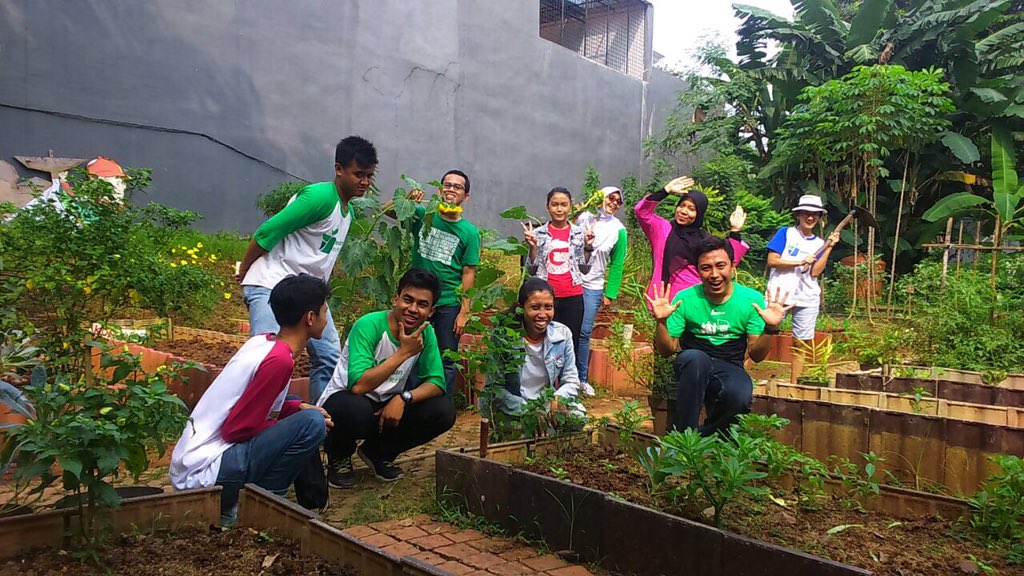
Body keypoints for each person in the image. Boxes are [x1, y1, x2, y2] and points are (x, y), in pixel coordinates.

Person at [169, 274, 334, 525]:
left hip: (191, 466)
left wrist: (296, 407)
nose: (326, 318)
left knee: (303, 413)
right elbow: (236, 429)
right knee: (311, 424)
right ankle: (260, 507)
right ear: (310, 318)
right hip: (207, 474)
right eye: (324, 311)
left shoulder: (263, 343)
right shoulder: (279, 361)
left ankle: (249, 504)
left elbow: (255, 404)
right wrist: (288, 427)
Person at [236, 136, 378, 404]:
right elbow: (268, 231)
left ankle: (318, 422)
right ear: (339, 169)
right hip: (272, 284)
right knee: (267, 359)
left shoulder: (346, 209)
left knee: (329, 356)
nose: (365, 182)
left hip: (309, 294)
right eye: (358, 174)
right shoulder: (320, 197)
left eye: (369, 176)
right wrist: (245, 270)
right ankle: (259, 426)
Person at [317, 269, 456, 488]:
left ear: (431, 311)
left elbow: (437, 382)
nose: (412, 309)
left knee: (443, 410)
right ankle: (339, 455)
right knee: (353, 410)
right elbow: (358, 385)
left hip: (387, 403)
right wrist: (404, 353)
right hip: (346, 401)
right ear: (395, 298)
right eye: (407, 300)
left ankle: (376, 453)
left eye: (422, 304)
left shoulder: (425, 333)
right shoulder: (369, 325)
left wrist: (404, 398)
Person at [647, 237, 791, 436]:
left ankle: (708, 438)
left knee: (739, 396)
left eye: (720, 266)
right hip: (692, 363)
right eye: (706, 268)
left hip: (730, 363)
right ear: (698, 270)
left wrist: (770, 328)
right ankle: (685, 437)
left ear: (733, 266)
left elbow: (756, 355)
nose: (714, 274)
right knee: (696, 360)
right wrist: (661, 322)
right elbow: (666, 350)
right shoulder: (685, 299)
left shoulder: (751, 300)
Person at [405, 170, 480, 392]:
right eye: (447, 185)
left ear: (465, 197)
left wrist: (464, 311)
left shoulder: (469, 232)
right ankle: (408, 400)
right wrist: (407, 201)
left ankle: (438, 405)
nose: (451, 189)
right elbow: (388, 211)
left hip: (448, 301)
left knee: (446, 356)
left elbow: (468, 272)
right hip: (417, 299)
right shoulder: (423, 214)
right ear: (439, 190)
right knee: (410, 351)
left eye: (457, 187)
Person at [478, 277, 585, 432]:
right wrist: (528, 410)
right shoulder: (503, 337)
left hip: (545, 403)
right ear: (521, 309)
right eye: (535, 307)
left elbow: (571, 380)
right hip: (514, 407)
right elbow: (495, 390)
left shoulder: (562, 335)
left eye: (548, 307)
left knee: (577, 418)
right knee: (523, 431)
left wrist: (558, 398)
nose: (542, 314)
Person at [635, 176, 748, 305]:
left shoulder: (705, 239)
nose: (683, 211)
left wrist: (735, 231)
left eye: (691, 209)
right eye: (681, 206)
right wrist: (666, 190)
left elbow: (728, 259)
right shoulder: (662, 230)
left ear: (699, 214)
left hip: (695, 299)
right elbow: (642, 212)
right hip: (664, 297)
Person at [765, 195, 841, 384]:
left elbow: (815, 272)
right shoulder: (786, 233)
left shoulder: (819, 243)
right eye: (806, 213)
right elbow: (772, 260)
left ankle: (794, 386)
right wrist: (800, 261)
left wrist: (829, 247)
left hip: (807, 297)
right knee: (762, 333)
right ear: (799, 215)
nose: (810, 217)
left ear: (818, 217)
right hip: (779, 295)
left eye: (814, 214)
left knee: (801, 342)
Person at [523, 187, 594, 357]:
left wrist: (588, 247)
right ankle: (544, 382)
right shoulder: (538, 233)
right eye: (554, 205)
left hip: (573, 296)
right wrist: (532, 247)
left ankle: (567, 381)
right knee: (543, 340)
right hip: (545, 298)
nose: (559, 209)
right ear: (547, 207)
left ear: (571, 207)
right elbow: (532, 269)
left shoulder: (579, 233)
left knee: (571, 343)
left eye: (564, 205)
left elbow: (584, 269)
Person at [574, 186, 627, 397]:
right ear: (601, 198)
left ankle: (581, 379)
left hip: (593, 285)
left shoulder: (619, 230)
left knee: (584, 332)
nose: (614, 203)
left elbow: (617, 264)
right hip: (570, 279)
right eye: (610, 198)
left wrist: (610, 293)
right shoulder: (583, 217)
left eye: (618, 201)